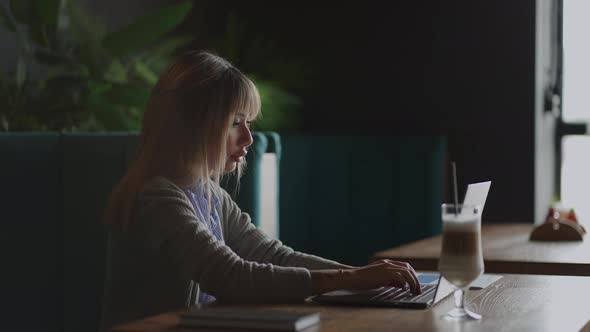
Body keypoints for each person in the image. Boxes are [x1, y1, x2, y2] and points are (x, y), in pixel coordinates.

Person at [101, 50, 421, 328]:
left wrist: (362, 275)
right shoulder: (157, 197)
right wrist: (351, 280)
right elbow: (229, 275)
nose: (248, 139)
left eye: (249, 124)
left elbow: (273, 255)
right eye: (235, 123)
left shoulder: (210, 195)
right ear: (194, 124)